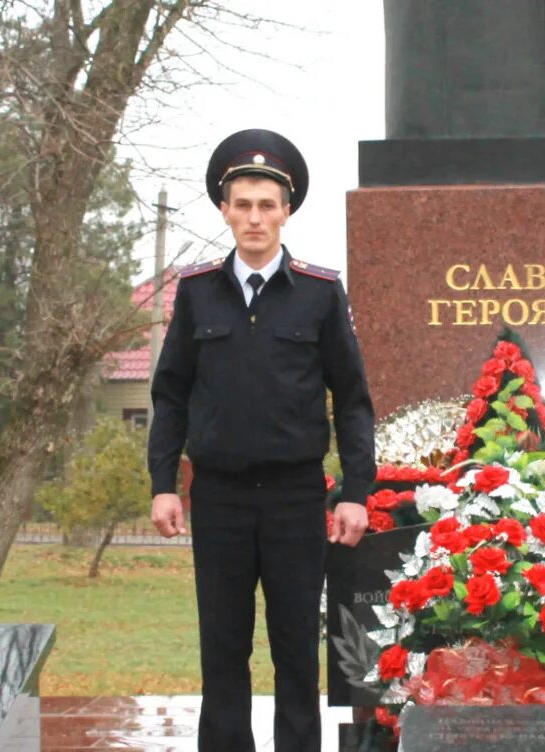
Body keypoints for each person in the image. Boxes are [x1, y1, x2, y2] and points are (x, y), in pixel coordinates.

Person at [148, 128, 375, 752]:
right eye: (242, 204)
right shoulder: (196, 293)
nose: (254, 218)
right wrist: (162, 485)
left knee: (297, 647)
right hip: (217, 497)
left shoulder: (320, 294)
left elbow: (352, 401)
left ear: (287, 210)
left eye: (267, 205)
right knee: (222, 647)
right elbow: (170, 394)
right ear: (225, 209)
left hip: (295, 497)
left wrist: (357, 490)